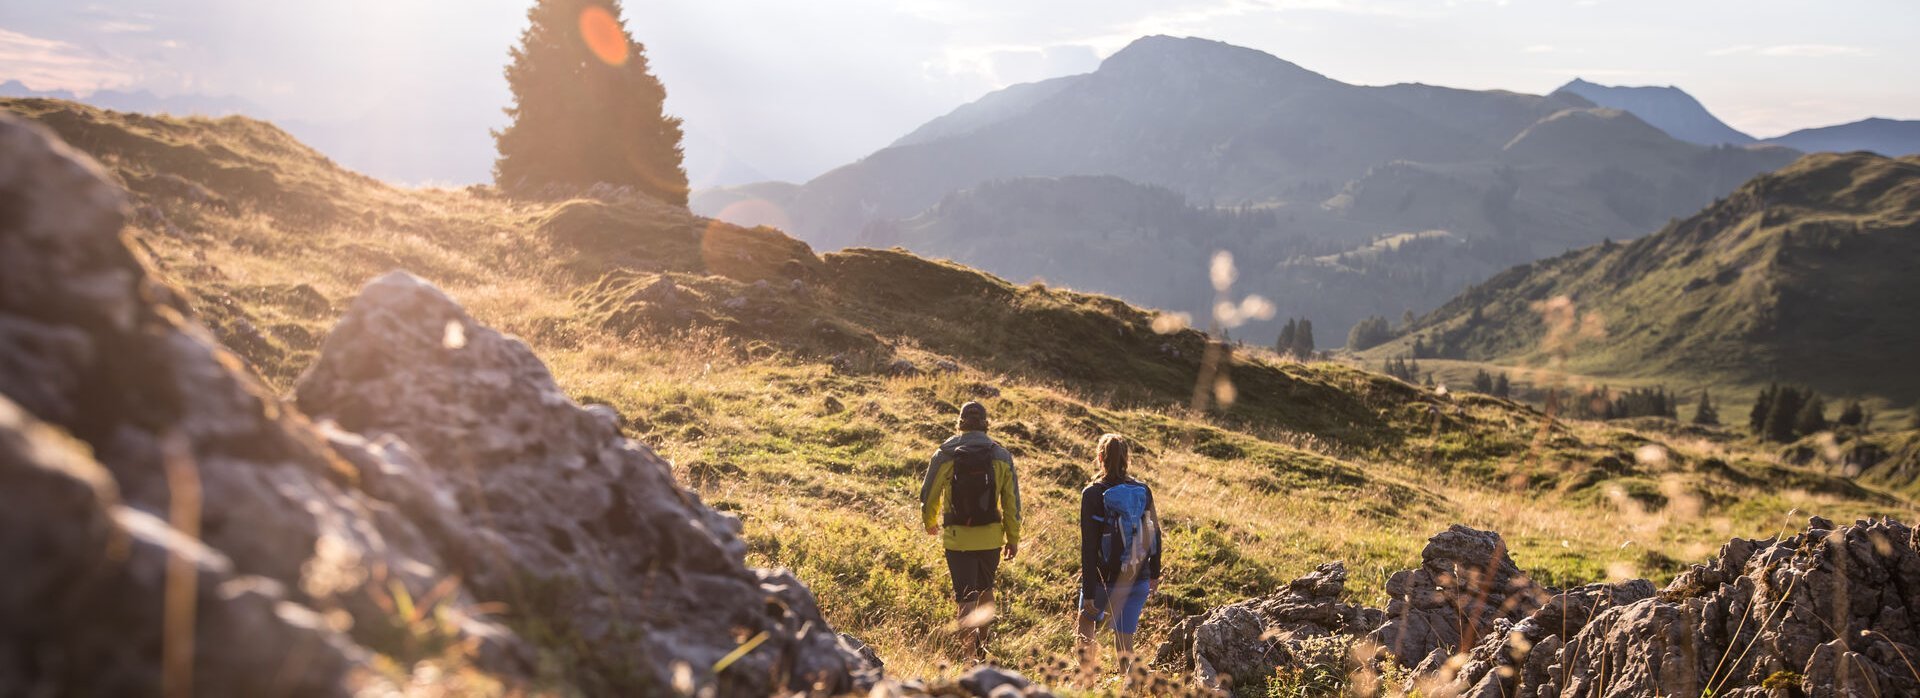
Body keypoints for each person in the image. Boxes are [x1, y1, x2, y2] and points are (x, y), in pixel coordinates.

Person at [919, 401, 1021, 659]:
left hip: (957, 539)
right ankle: (983, 649)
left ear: (960, 422)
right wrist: (1013, 538)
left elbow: (929, 493)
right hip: (990, 538)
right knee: (985, 590)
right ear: (986, 423)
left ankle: (968, 659)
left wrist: (929, 521)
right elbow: (1011, 501)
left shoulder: (945, 453)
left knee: (965, 597)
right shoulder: (1001, 455)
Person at [1076, 433, 1163, 678]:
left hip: (1105, 579)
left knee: (1086, 625)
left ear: (1100, 457)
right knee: (1125, 639)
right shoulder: (1142, 490)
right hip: (1137, 578)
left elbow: (1089, 546)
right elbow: (1155, 534)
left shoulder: (1092, 493)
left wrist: (1090, 592)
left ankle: (1087, 681)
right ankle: (1130, 686)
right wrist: (1153, 574)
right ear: (1127, 459)